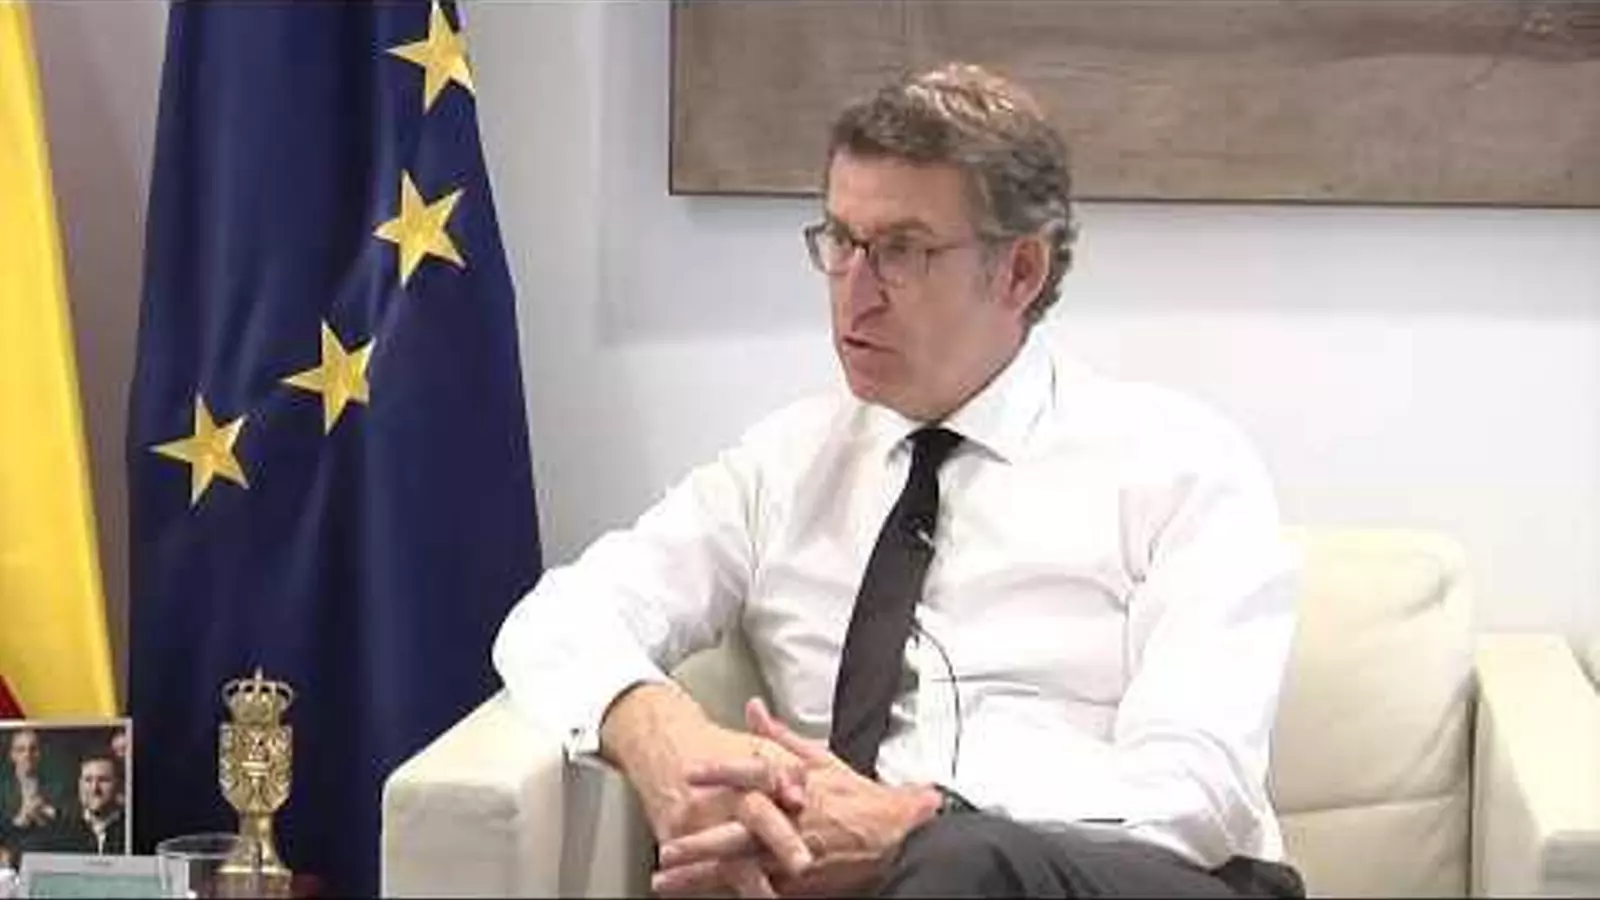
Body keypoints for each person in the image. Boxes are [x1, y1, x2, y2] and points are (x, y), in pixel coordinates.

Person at [494, 62, 1305, 898]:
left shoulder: (1179, 464)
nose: (855, 291)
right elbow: (555, 619)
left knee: (960, 862)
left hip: (1141, 880)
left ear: (1020, 272)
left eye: (901, 252)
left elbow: (1197, 794)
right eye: (840, 241)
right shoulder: (786, 464)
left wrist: (915, 823)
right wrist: (660, 732)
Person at [52, 755, 126, 856]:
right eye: (88, 780)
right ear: (79, 785)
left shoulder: (132, 829)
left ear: (119, 785)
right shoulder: (60, 830)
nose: (94, 789)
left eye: (103, 780)